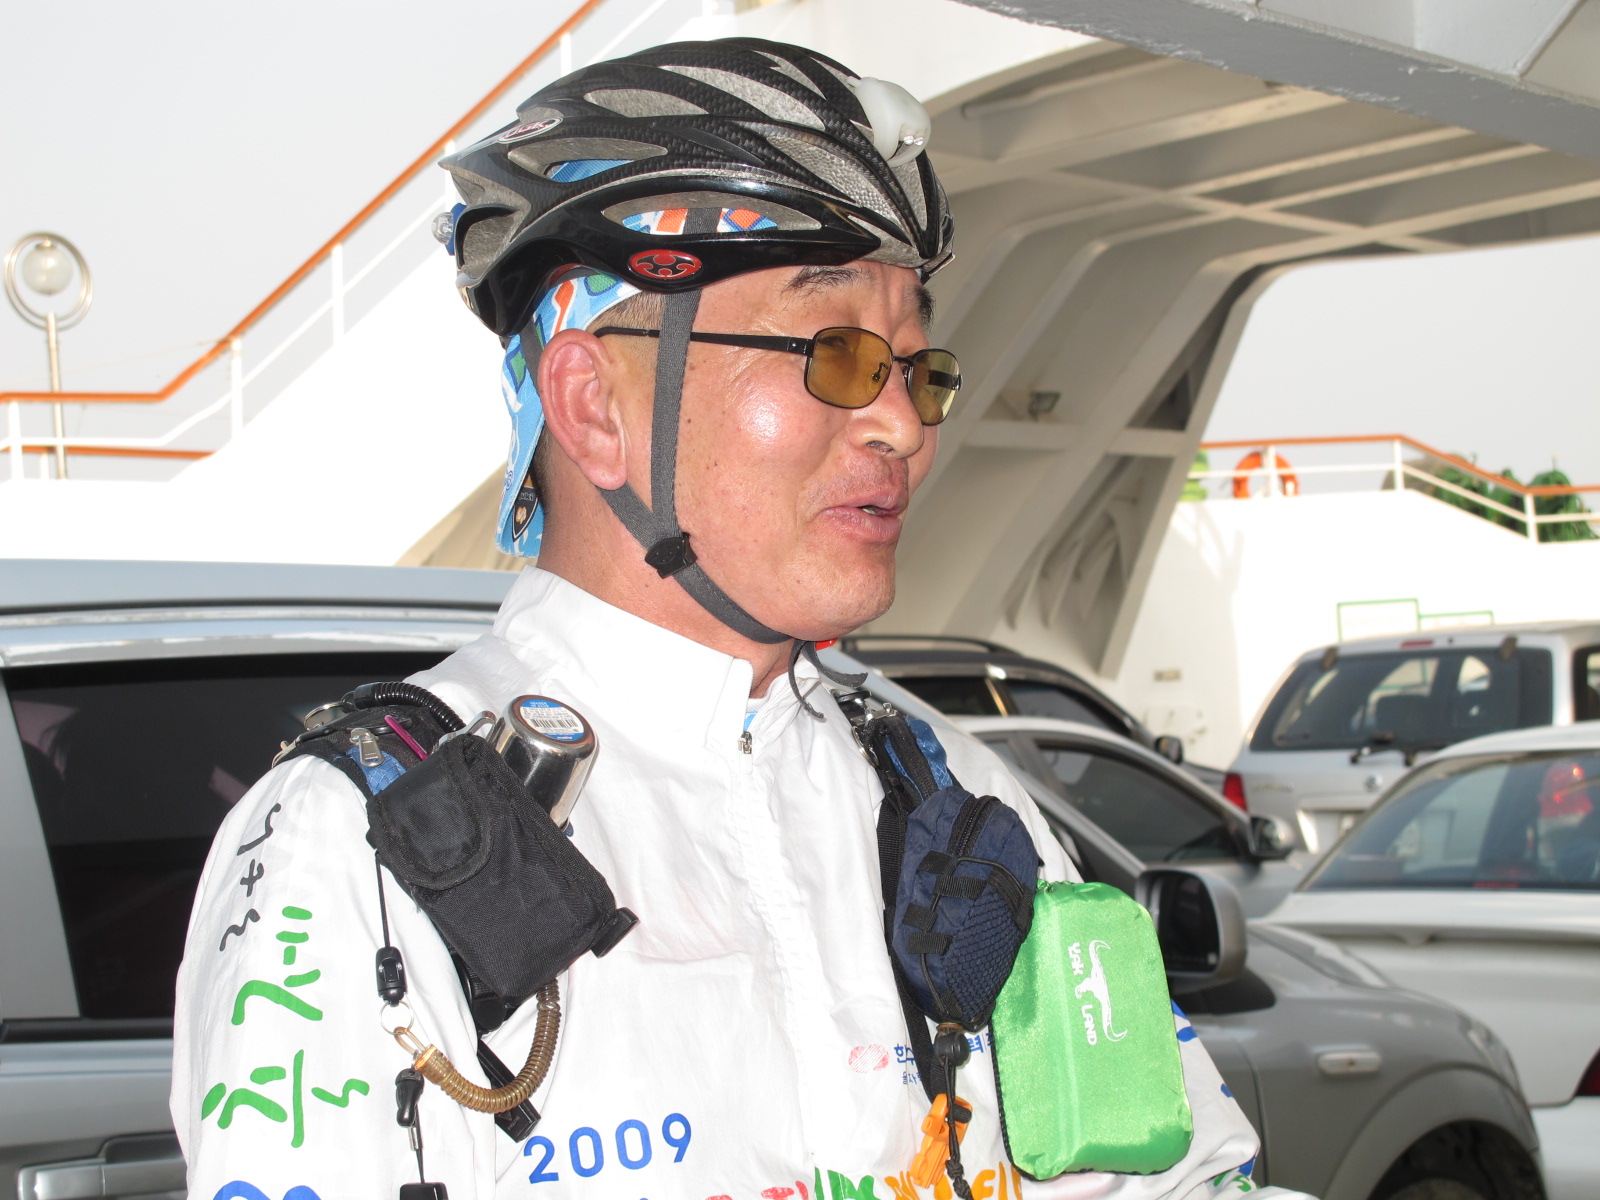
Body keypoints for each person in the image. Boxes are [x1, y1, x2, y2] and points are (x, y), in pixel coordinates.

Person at [172, 38, 1301, 1200]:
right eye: (836, 355)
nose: (903, 426)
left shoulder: (952, 794)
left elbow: (1178, 1181)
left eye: (917, 369)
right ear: (591, 405)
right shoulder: (356, 840)